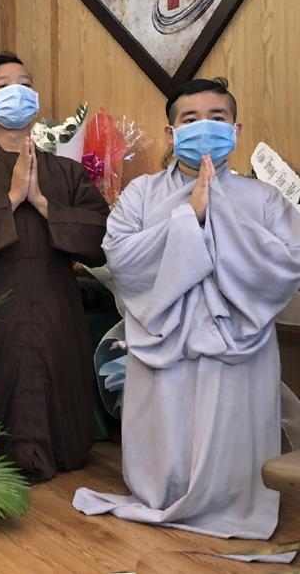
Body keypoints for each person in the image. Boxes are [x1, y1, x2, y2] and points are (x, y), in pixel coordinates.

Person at [73, 78, 300, 543]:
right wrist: (189, 218)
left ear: (236, 129)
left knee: (230, 432)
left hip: (237, 341)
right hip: (164, 338)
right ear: (171, 132)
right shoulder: (141, 194)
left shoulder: (264, 199)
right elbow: (121, 256)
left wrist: (221, 219)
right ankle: (163, 493)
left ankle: (231, 499)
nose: (205, 127)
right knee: (169, 429)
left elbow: (288, 262)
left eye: (217, 118)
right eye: (190, 119)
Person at [0, 53, 110, 482]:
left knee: (56, 376)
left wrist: (43, 204)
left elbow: (103, 236)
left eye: (25, 83)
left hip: (55, 304)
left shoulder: (68, 173)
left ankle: (60, 448)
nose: (16, 91)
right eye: (3, 85)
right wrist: (12, 199)